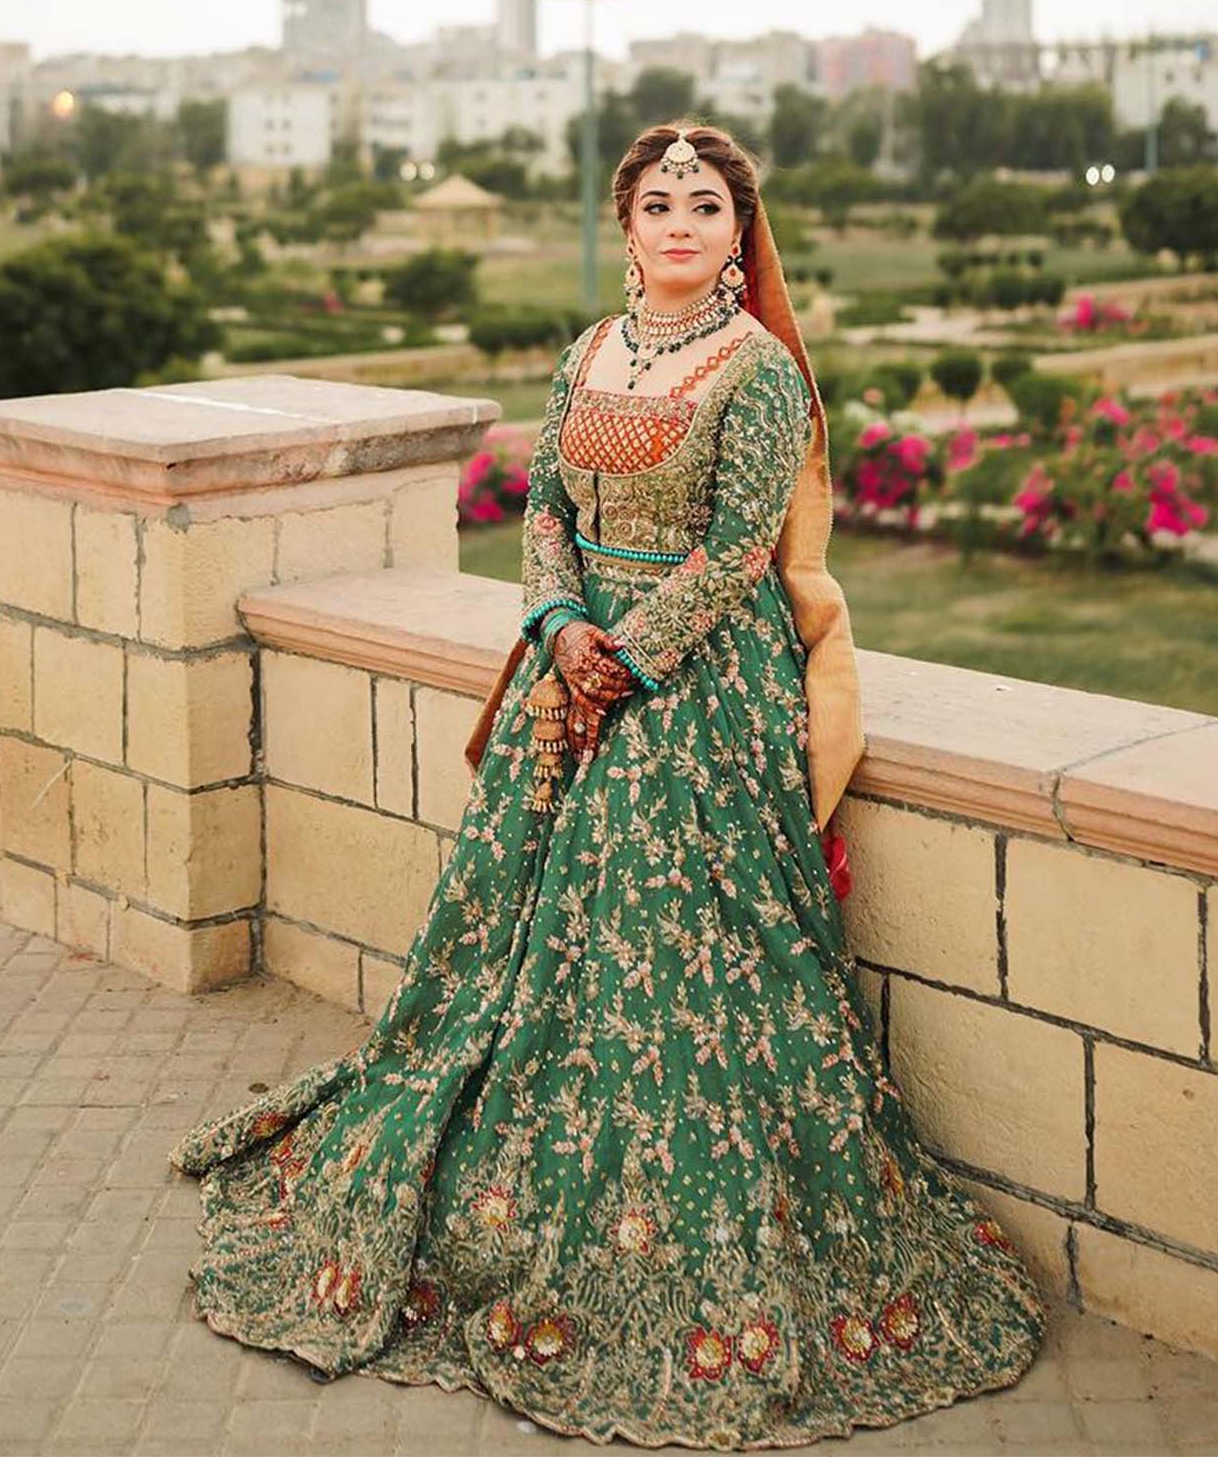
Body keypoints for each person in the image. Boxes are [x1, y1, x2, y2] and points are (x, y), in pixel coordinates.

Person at [168, 120, 1045, 1447]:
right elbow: (540, 517)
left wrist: (623, 665)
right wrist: (560, 633)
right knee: (504, 936)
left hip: (701, 684)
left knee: (661, 927)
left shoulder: (761, 375)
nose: (682, 222)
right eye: (658, 202)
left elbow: (743, 549)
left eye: (707, 204)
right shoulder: (589, 353)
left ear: (740, 234)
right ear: (627, 226)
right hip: (568, 668)